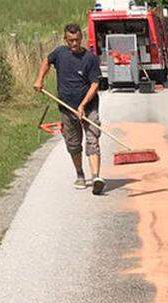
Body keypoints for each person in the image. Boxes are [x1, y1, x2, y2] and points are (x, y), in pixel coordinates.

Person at [34, 23, 105, 195]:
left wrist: (82, 106)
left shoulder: (90, 58)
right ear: (65, 39)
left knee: (92, 139)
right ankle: (80, 175)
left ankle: (96, 177)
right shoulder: (59, 53)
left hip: (88, 107)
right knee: (73, 144)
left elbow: (95, 83)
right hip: (66, 107)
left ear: (82, 38)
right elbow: (47, 61)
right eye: (71, 40)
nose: (74, 43)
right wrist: (39, 79)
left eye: (77, 40)